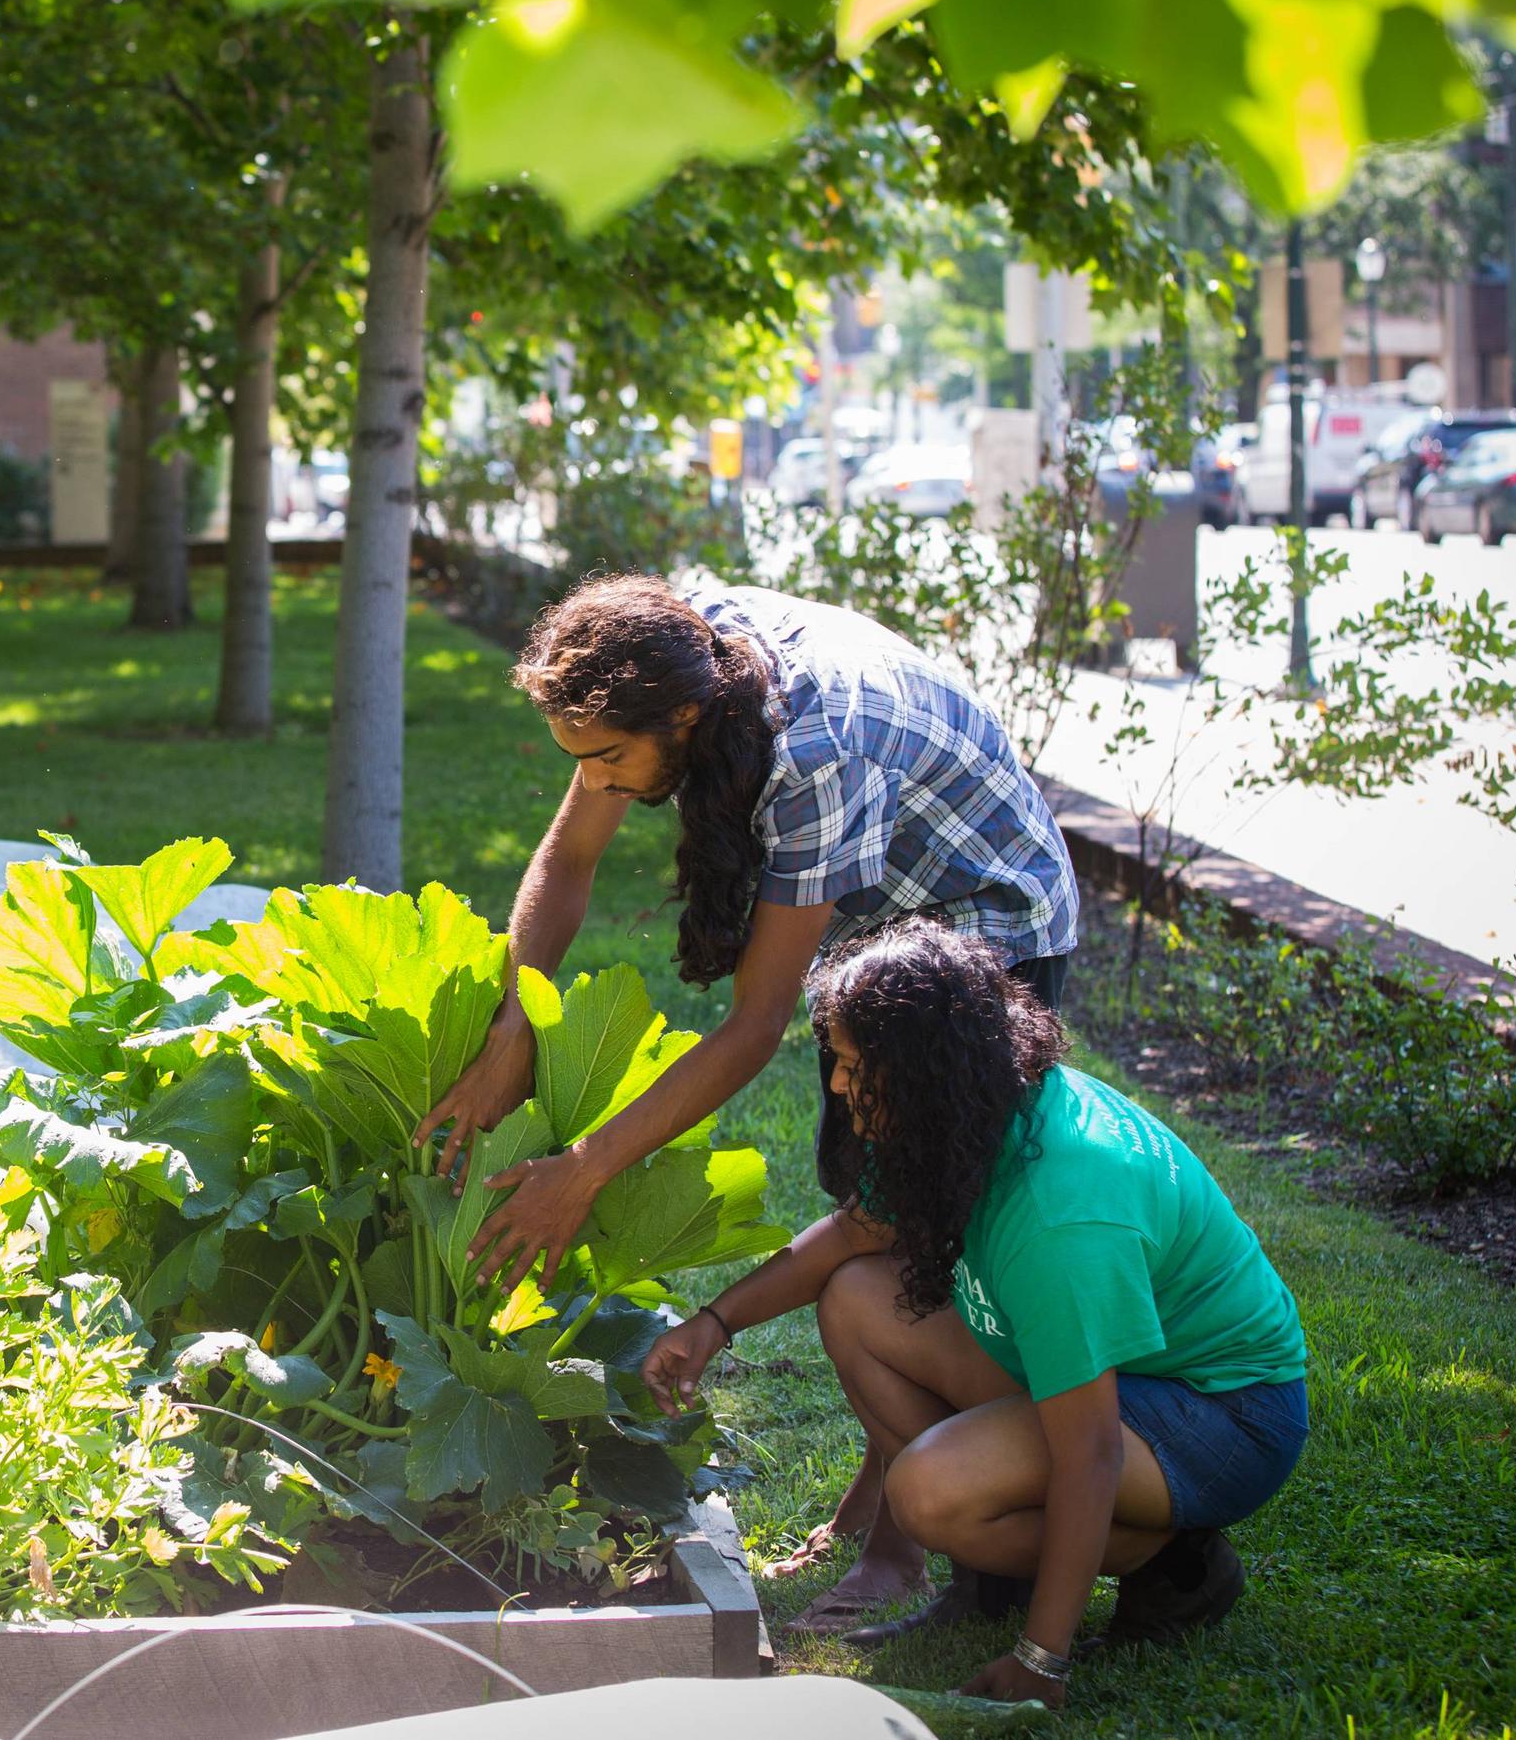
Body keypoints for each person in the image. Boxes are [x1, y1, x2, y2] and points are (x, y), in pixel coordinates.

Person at [418, 570, 1080, 1616]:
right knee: (857, 1183)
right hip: (874, 906)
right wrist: (514, 1026)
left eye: (607, 760)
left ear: (683, 718)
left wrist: (583, 1172)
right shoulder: (668, 656)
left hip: (981, 918)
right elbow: (568, 856)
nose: (592, 781)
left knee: (915, 1222)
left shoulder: (814, 758)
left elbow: (750, 1025)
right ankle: (884, 1498)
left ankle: (899, 1536)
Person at [639, 921, 1311, 1703]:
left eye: (853, 1065)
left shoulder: (1058, 1213)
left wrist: (1041, 1660)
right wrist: (712, 1324)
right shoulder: (979, 1109)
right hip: (1132, 1378)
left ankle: (1174, 1563)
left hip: (1222, 1415)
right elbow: (850, 1237)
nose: (835, 1084)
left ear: (920, 1071)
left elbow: (1088, 1449)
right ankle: (1001, 1576)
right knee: (858, 1298)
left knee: (931, 1490)